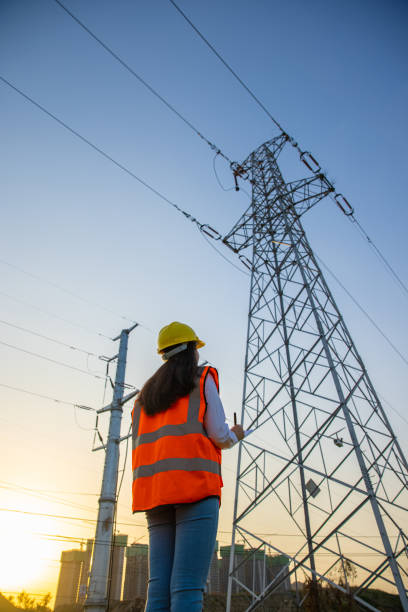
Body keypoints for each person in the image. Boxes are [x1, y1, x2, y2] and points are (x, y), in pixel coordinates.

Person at [131, 321, 244, 612]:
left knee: (158, 590)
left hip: (155, 495)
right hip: (194, 489)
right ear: (192, 350)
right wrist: (236, 434)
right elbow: (219, 435)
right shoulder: (201, 378)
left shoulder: (144, 397)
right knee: (187, 588)